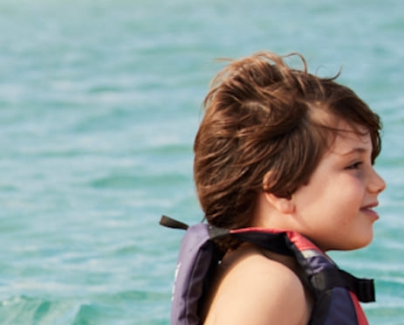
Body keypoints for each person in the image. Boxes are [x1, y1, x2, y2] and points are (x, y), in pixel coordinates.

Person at [164, 52, 386, 325]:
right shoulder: (270, 285)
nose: (379, 183)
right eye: (354, 165)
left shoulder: (260, 271)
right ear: (282, 190)